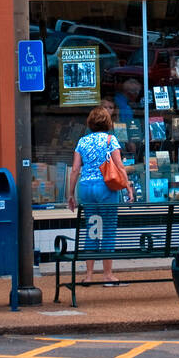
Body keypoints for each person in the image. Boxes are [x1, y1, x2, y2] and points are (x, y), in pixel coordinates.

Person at [67, 105, 133, 286]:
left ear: (90, 123)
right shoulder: (111, 140)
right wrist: (128, 187)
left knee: (92, 229)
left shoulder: (82, 142)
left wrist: (70, 194)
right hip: (105, 187)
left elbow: (74, 170)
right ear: (108, 122)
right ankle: (107, 275)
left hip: (86, 187)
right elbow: (119, 166)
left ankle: (88, 275)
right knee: (108, 230)